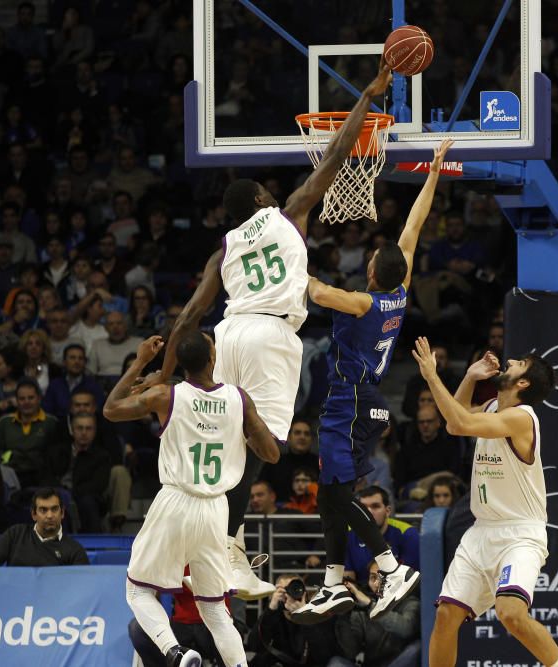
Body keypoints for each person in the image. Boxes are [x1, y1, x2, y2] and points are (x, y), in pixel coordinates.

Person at [142, 64, 394, 601]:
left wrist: (162, 380)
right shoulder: (288, 214)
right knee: (267, 444)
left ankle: (223, 544)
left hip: (227, 333)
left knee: (231, 440)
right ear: (260, 202)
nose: (270, 192)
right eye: (264, 190)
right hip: (271, 338)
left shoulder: (223, 251)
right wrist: (368, 98)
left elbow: (187, 319)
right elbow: (333, 158)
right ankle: (230, 548)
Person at [291, 140, 452, 624]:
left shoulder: (363, 302)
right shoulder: (397, 293)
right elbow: (414, 225)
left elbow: (315, 289)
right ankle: (334, 583)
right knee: (329, 494)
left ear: (372, 272)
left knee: (336, 496)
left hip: (352, 403)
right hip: (365, 403)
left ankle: (390, 567)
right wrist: (434, 174)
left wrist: (283, 244)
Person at [103, 332, 280, 667]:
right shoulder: (238, 399)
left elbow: (111, 409)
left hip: (176, 500)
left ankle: (176, 654)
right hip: (216, 508)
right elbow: (271, 454)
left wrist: (141, 360)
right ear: (213, 359)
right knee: (214, 608)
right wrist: (247, 430)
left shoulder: (165, 395)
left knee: (138, 591)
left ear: (180, 364)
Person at [411, 338, 558, 667]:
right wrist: (469, 377)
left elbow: (464, 423)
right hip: (481, 531)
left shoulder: (523, 417)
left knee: (510, 614)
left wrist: (431, 376)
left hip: (520, 533)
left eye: (518, 363)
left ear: (523, 382)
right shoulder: (494, 408)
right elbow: (455, 423)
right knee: (445, 617)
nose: (509, 361)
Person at [0, 488, 88, 566]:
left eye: (54, 509)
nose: (49, 516)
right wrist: (4, 578)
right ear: (34, 515)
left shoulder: (75, 550)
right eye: (43, 510)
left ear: (62, 513)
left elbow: (80, 587)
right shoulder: (16, 534)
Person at [343, 486, 420, 580]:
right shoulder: (347, 534)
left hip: (398, 591)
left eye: (375, 506)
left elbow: (409, 580)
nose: (368, 512)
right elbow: (348, 580)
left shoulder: (408, 534)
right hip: (359, 592)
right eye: (363, 508)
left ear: (387, 511)